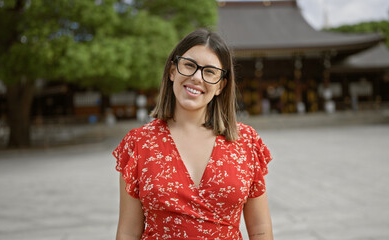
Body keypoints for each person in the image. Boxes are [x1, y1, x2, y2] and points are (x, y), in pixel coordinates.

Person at [113, 28, 273, 240]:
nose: (197, 77)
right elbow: (128, 231)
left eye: (209, 72)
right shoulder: (139, 143)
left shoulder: (245, 141)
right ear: (172, 71)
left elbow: (260, 228)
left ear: (220, 86)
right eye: (189, 65)